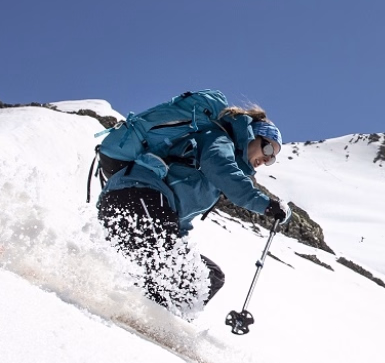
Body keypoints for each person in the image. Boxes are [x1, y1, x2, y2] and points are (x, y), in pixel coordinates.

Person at [92, 89, 287, 315]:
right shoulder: (217, 138)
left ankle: (165, 319)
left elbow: (178, 216)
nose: (267, 158)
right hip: (136, 196)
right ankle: (149, 315)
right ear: (252, 134)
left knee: (210, 277)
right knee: (166, 266)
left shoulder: (214, 180)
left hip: (148, 209)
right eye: (268, 148)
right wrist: (266, 204)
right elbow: (224, 171)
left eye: (272, 158)